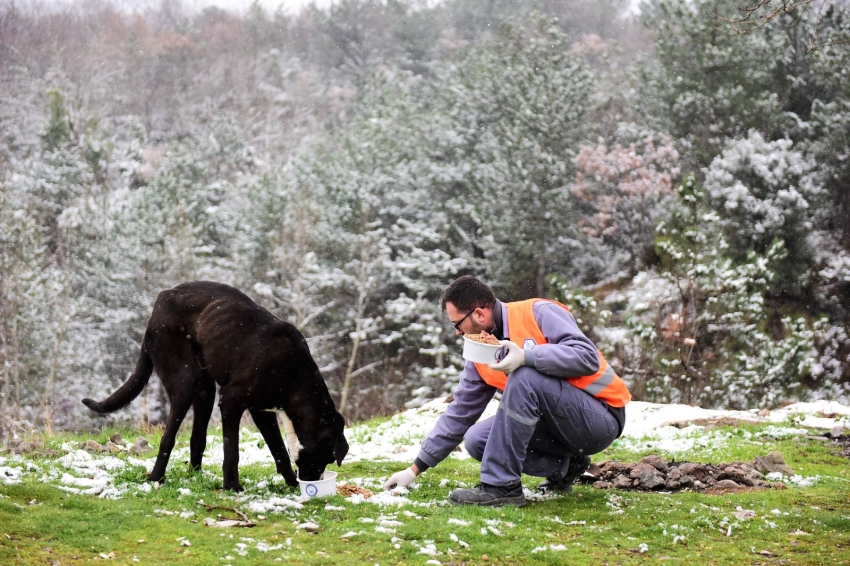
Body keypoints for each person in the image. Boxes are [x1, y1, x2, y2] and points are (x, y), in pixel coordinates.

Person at [383, 275, 631, 507]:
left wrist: (527, 356)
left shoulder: (538, 312)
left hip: (601, 416)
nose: (458, 333)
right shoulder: (481, 352)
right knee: (477, 440)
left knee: (524, 375)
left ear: (479, 313)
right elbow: (460, 412)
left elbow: (586, 356)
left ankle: (501, 487)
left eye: (457, 324)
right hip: (558, 428)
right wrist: (414, 469)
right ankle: (567, 466)